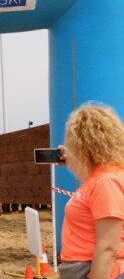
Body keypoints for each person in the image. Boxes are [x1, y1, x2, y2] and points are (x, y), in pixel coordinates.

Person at [57, 104, 124, 279]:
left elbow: (108, 247)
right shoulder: (102, 175)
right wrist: (73, 162)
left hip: (95, 270)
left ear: (83, 144)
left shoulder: (106, 181)